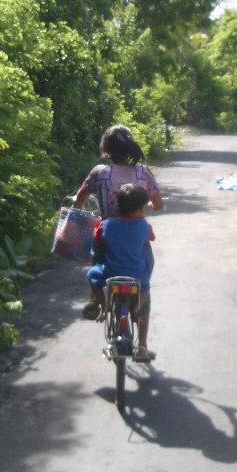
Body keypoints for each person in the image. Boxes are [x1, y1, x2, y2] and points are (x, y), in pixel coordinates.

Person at [74, 125, 163, 311]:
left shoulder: (99, 172)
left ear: (106, 150)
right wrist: (150, 205)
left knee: (97, 262)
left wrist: (76, 204)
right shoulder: (143, 172)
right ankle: (142, 324)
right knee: (144, 276)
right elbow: (159, 204)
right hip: (136, 235)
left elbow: (81, 197)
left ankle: (97, 300)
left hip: (108, 234)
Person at [87, 183, 157, 361]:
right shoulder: (143, 226)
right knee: (146, 288)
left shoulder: (107, 224)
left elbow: (97, 238)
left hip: (112, 273)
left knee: (92, 275)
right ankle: (140, 338)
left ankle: (104, 305)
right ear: (141, 209)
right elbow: (151, 237)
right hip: (137, 276)